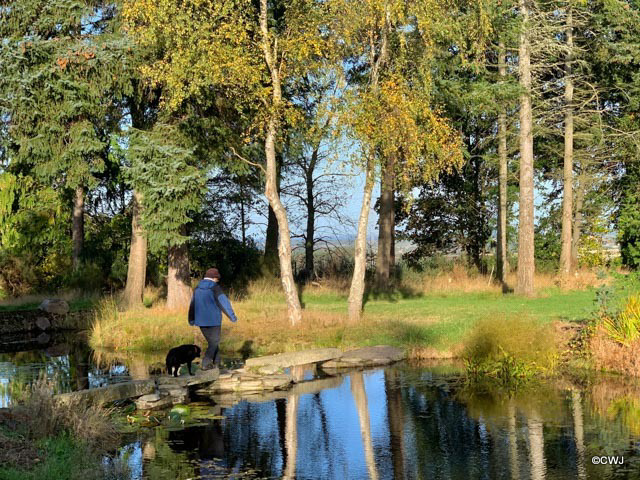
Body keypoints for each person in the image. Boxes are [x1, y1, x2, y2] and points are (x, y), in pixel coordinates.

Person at [188, 268, 237, 370]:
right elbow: (224, 303)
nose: (217, 281)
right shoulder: (215, 288)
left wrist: (191, 319)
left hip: (201, 321)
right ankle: (206, 362)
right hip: (214, 321)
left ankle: (217, 363)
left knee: (212, 342)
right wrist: (232, 317)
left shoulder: (197, 288)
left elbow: (192, 305)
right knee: (214, 342)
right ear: (214, 278)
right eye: (217, 279)